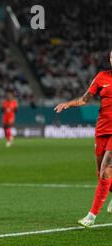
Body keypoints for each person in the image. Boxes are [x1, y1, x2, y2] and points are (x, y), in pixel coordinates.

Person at [55, 49, 112, 227]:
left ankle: (91, 217)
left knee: (106, 169)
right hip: (102, 129)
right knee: (100, 173)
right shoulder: (102, 77)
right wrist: (68, 104)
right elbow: (85, 99)